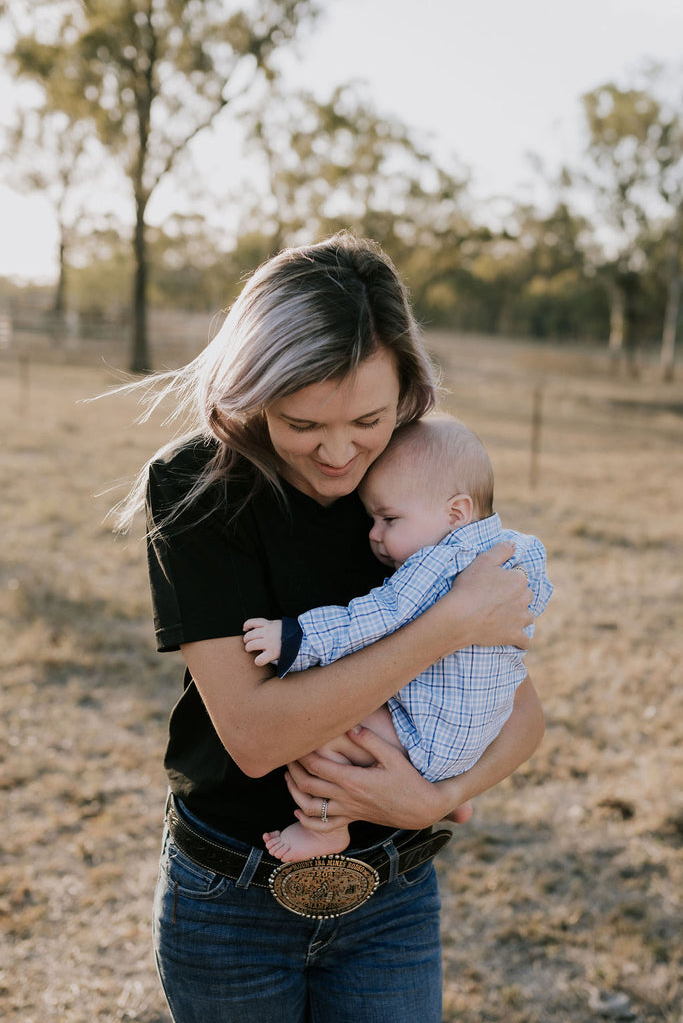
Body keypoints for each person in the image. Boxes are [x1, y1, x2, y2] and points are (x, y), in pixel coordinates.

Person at [118, 232, 544, 1023]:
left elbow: (519, 710)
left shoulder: (418, 481)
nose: (341, 452)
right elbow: (256, 735)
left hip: (394, 893)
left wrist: (436, 796)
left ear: (407, 391)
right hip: (229, 901)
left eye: (369, 419)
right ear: (250, 391)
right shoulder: (195, 487)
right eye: (302, 422)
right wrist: (447, 622)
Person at [243, 414, 552, 862]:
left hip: (427, 739)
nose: (374, 533)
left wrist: (296, 637)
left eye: (389, 518)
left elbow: (373, 616)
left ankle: (326, 826)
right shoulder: (522, 549)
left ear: (455, 513)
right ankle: (449, 790)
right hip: (480, 739)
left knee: (322, 723)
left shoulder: (433, 565)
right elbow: (536, 601)